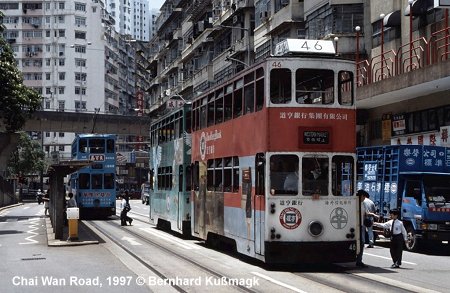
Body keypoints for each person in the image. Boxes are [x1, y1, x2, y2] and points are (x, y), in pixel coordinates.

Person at [356, 189, 370, 268]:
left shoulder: (363, 204)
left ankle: (359, 260)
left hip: (361, 226)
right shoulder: (354, 203)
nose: (364, 198)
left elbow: (366, 213)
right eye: (364, 197)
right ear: (361, 196)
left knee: (362, 243)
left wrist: (373, 215)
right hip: (354, 226)